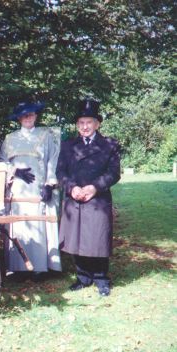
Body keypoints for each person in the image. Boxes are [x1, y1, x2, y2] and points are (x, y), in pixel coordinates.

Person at [56, 99, 121, 296]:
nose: (85, 127)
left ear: (97, 124)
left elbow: (114, 173)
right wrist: (71, 188)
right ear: (77, 125)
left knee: (98, 239)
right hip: (74, 199)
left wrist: (95, 187)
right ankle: (83, 277)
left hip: (97, 200)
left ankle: (101, 279)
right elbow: (60, 172)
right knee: (76, 239)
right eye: (81, 123)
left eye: (89, 122)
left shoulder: (110, 145)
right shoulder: (68, 146)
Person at [0, 101, 62, 280]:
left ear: (36, 116)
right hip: (17, 188)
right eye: (24, 115)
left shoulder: (46, 135)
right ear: (19, 118)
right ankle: (18, 268)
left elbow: (52, 160)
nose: (28, 118)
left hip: (38, 187)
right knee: (19, 225)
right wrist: (14, 170)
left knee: (37, 224)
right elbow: (1, 161)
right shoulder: (10, 138)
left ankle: (39, 267)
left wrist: (50, 183)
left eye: (31, 114)